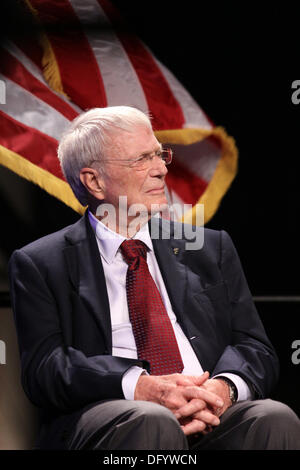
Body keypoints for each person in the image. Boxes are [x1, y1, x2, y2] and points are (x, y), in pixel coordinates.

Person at [9, 106, 300, 450]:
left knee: (272, 416)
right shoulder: (41, 263)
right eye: (142, 160)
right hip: (112, 417)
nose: (162, 169)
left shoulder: (209, 247)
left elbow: (256, 348)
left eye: (160, 155)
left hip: (209, 412)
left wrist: (222, 388)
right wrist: (140, 386)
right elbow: (46, 370)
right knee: (152, 419)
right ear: (94, 181)